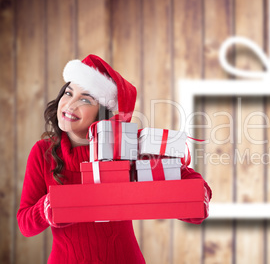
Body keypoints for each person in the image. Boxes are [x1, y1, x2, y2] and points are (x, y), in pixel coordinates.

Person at [17, 54, 212, 264]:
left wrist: (194, 196)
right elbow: (25, 224)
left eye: (85, 99)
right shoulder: (43, 152)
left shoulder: (128, 148)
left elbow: (195, 199)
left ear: (101, 113)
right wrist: (49, 207)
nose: (69, 105)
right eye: (68, 93)